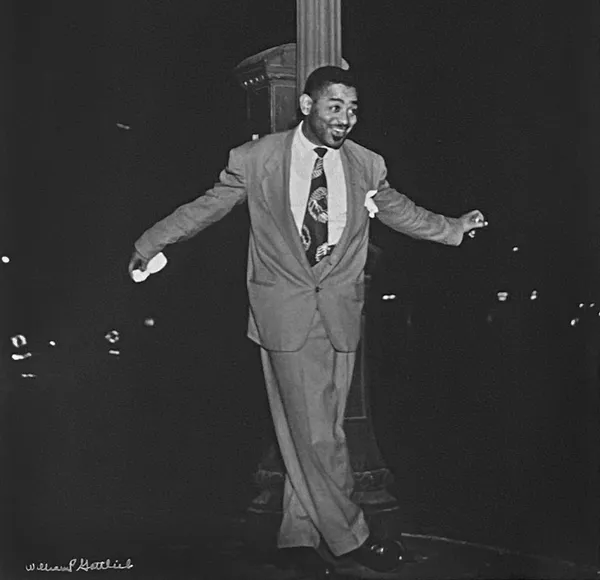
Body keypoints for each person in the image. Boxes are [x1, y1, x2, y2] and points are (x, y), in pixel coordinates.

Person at [129, 66, 488, 578]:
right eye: (334, 106)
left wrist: (452, 228)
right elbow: (206, 209)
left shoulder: (366, 164)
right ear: (306, 106)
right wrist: (151, 242)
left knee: (315, 427)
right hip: (285, 313)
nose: (346, 118)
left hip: (340, 313)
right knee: (319, 435)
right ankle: (351, 537)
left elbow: (400, 212)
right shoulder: (257, 159)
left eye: (353, 108)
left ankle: (297, 535)